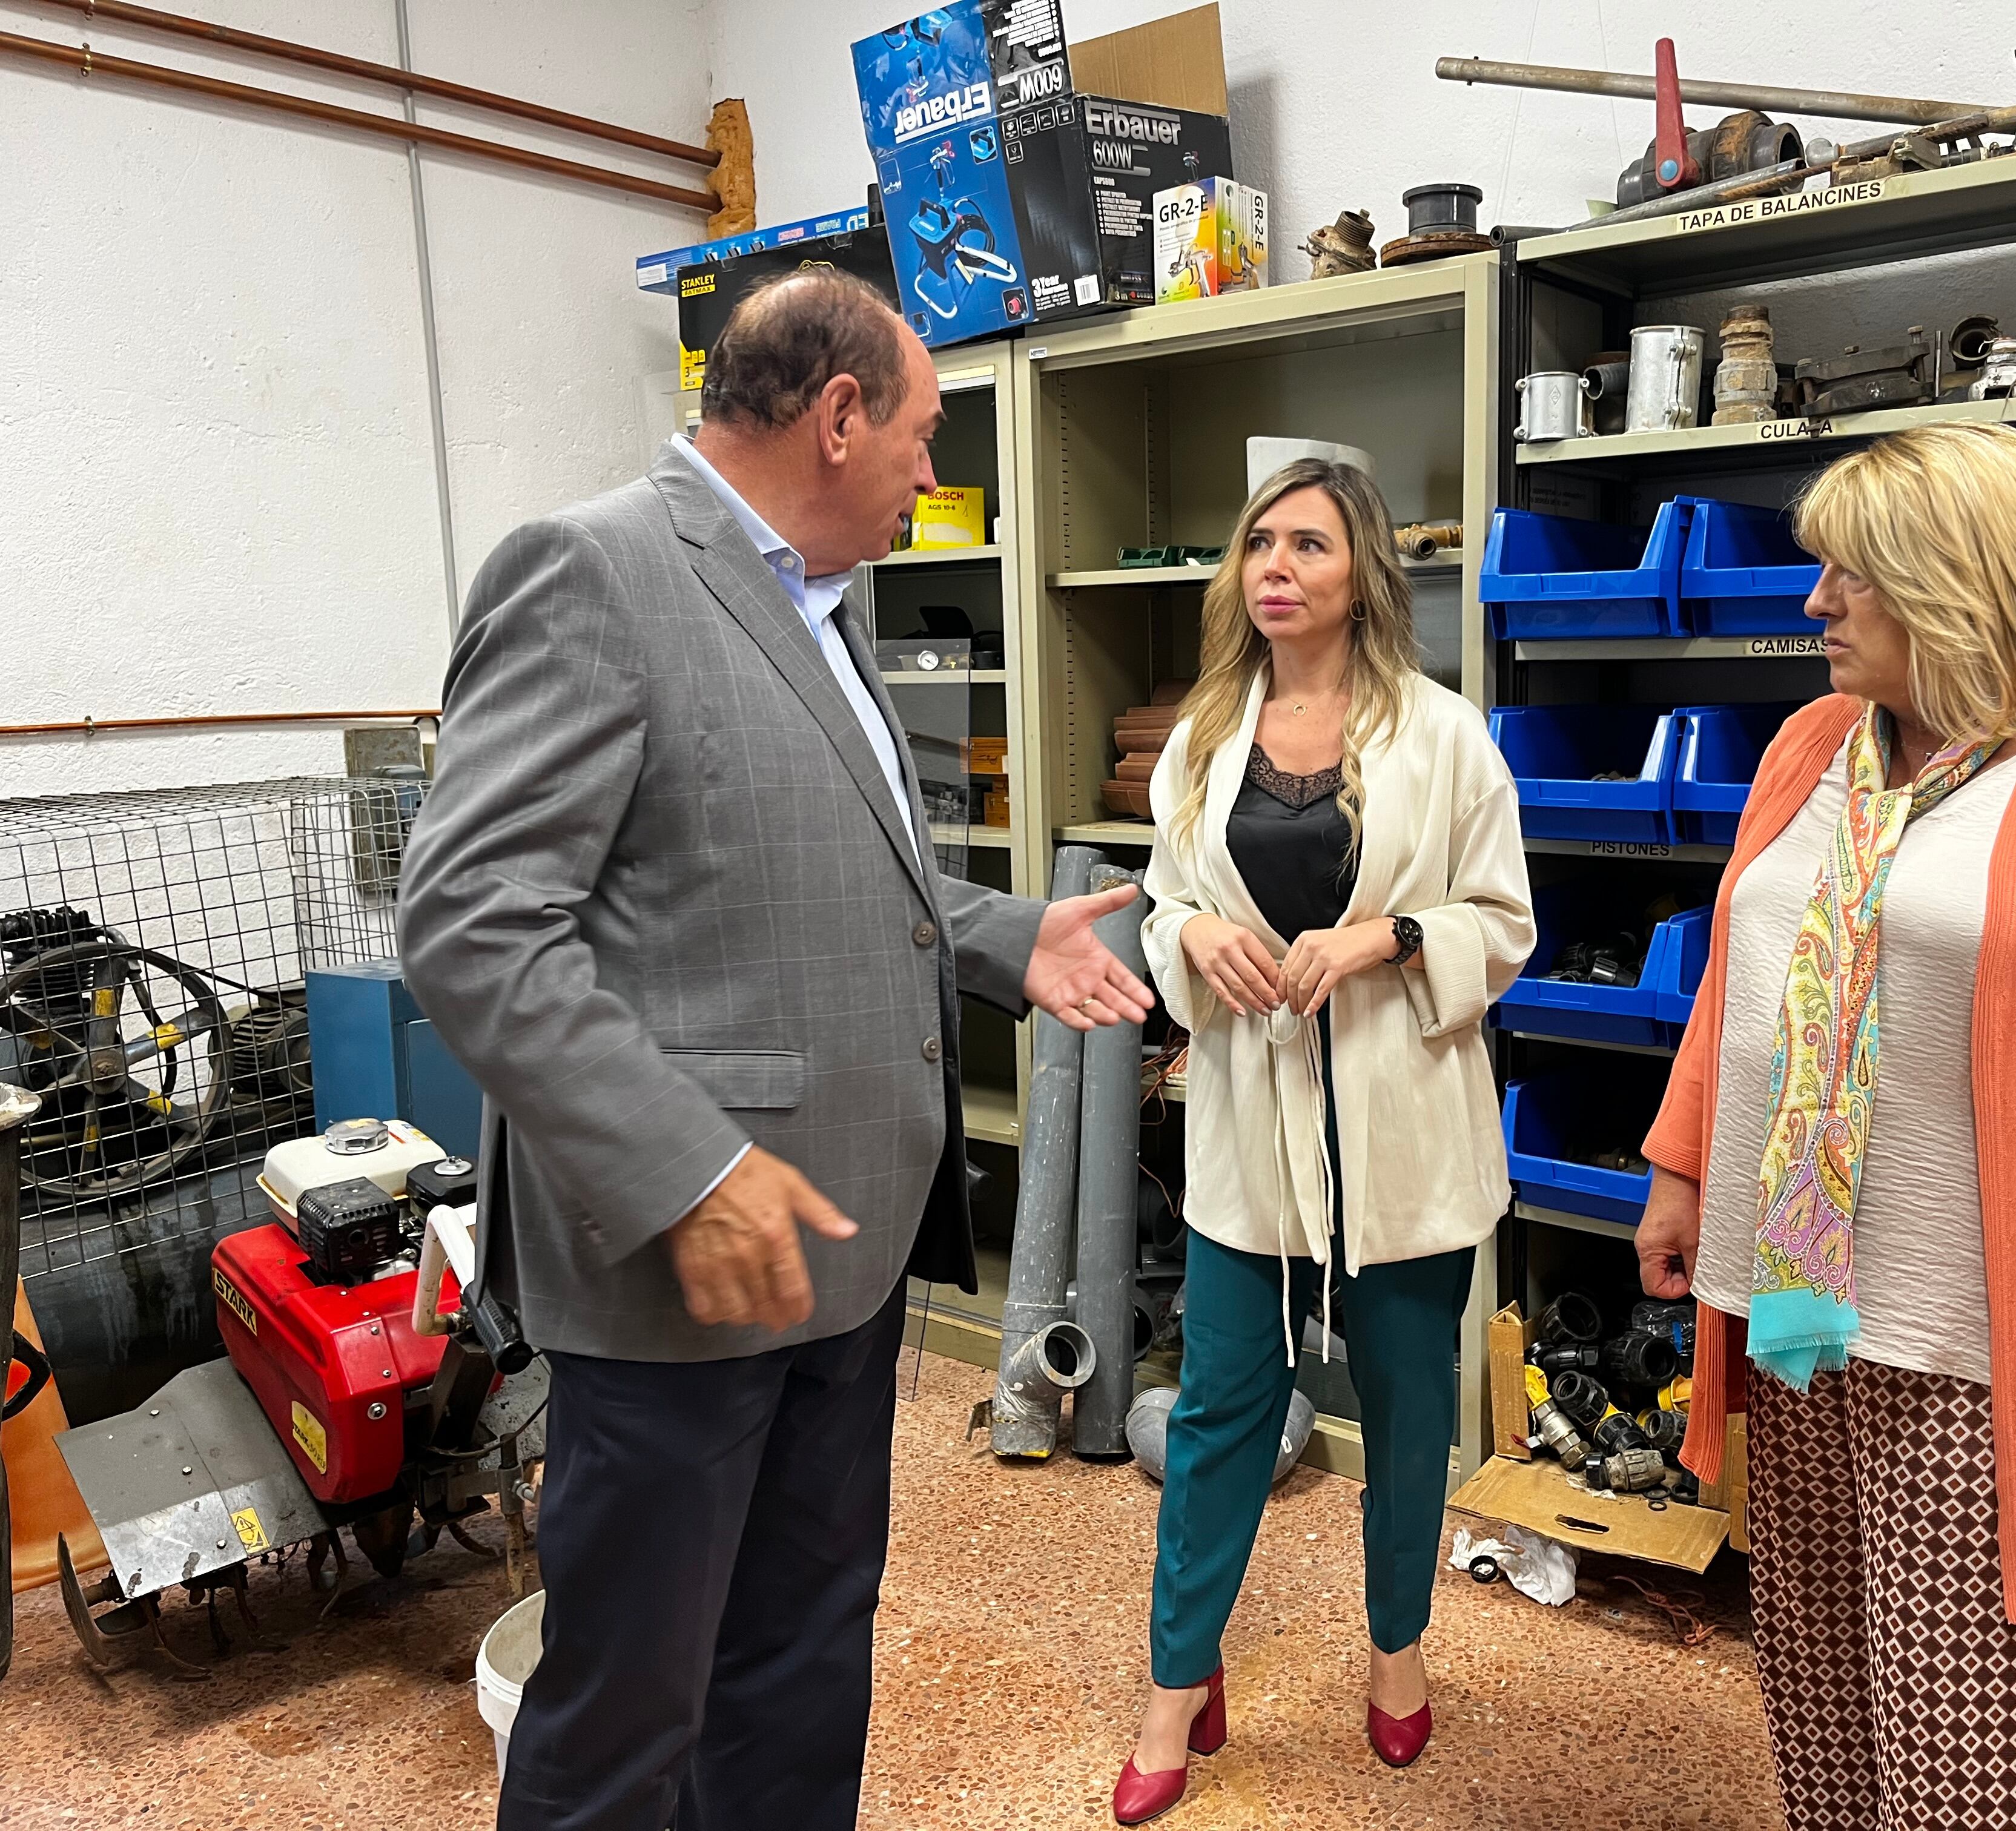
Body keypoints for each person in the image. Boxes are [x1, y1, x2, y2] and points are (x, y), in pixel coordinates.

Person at [394, 267, 1154, 1831]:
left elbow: (846, 872)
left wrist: (1010, 940)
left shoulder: (822, 604)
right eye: (926, 437)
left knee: (801, 1661)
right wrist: (687, 1171)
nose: (931, 478)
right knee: (628, 1709)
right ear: (838, 414)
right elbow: (473, 923)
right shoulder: (594, 574)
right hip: (686, 1275)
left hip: (840, 1261)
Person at [1632, 421, 2016, 1831]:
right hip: (1797, 1305)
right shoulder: (1815, 747)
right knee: (1824, 1701)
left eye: (1849, 576)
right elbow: (1744, 980)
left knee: (1965, 1750)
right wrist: (1683, 1172)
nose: (1814, 604)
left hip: (1973, 1337)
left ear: (1956, 579)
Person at [1115, 458, 1533, 1824]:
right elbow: (1168, 905)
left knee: (1410, 1419)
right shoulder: (1203, 737)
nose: (1275, 565)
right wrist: (1195, 937)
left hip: (1406, 1132)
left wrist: (1392, 938)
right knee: (1221, 1413)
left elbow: (1505, 921)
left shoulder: (1444, 735)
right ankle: (1179, 1683)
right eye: (1258, 545)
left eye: (1308, 543)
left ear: (1362, 575)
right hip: (1253, 1136)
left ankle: (1397, 1655)